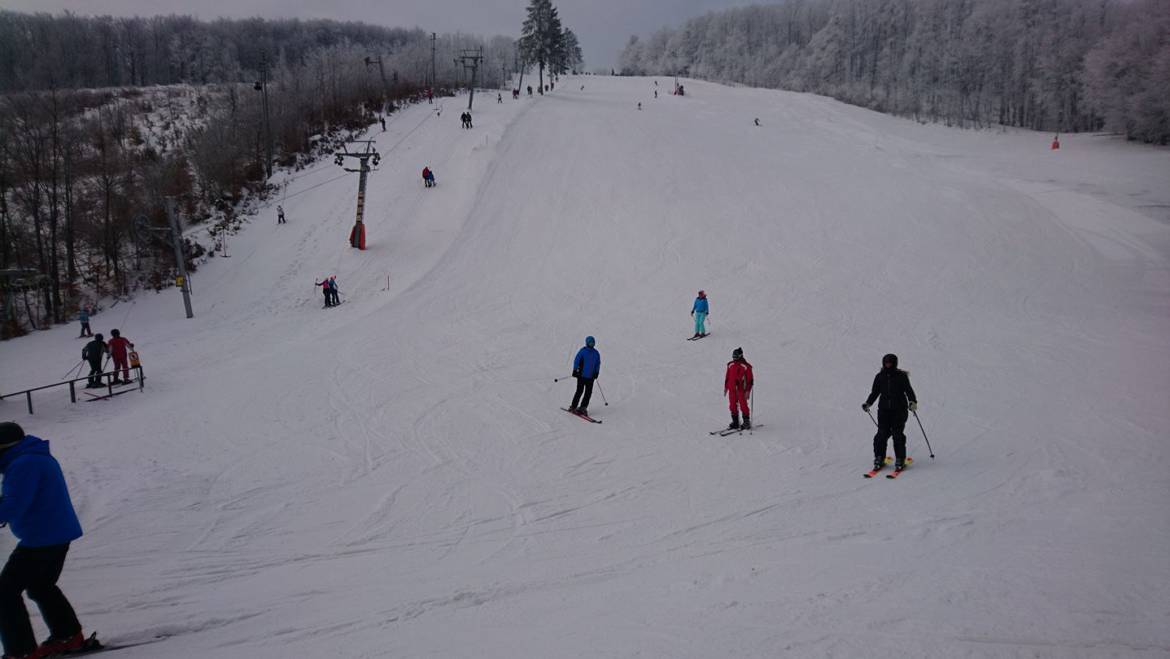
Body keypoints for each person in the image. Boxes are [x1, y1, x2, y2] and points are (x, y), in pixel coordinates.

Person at [0, 422, 86, 659]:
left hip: (42, 538)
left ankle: (21, 651)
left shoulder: (23, 464)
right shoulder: (32, 458)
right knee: (40, 586)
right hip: (54, 533)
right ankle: (68, 636)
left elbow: (13, 505)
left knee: (5, 592)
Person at [863, 353, 918, 472]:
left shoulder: (901, 376)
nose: (888, 365)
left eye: (890, 363)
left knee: (897, 435)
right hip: (883, 411)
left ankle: (900, 459)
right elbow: (875, 392)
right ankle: (879, 457)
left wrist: (912, 402)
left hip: (899, 410)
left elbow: (909, 390)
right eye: (886, 363)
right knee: (881, 435)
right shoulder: (879, 377)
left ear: (894, 363)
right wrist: (868, 403)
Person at [568, 336, 601, 417]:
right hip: (582, 376)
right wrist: (575, 370)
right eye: (590, 342)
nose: (592, 344)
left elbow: (598, 364)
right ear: (587, 343)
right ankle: (573, 406)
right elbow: (577, 360)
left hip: (590, 377)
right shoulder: (583, 351)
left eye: (593, 342)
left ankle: (583, 407)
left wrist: (596, 372)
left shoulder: (596, 353)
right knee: (579, 391)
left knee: (588, 393)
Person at [724, 347, 753, 430]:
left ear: (740, 356)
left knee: (743, 405)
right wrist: (726, 387)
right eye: (733, 356)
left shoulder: (746, 366)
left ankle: (746, 422)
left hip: (741, 389)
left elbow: (750, 380)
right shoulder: (730, 364)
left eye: (736, 356)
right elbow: (727, 376)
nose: (734, 358)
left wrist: (748, 391)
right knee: (732, 405)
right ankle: (735, 422)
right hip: (732, 388)